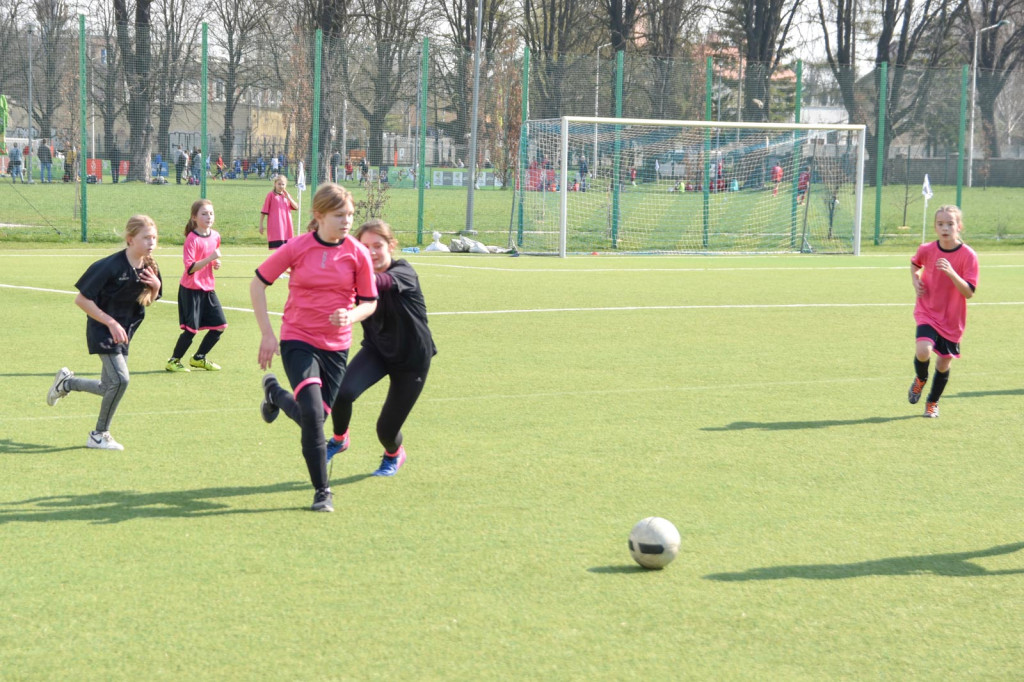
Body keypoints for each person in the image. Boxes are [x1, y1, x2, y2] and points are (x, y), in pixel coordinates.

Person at [250, 183, 378, 512]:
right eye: (339, 215)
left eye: (350, 215)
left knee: (317, 416)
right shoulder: (298, 247)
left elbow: (370, 303)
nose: (347, 221)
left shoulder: (357, 253)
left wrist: (350, 315)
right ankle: (323, 490)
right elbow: (258, 284)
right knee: (310, 411)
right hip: (298, 338)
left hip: (336, 347)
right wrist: (267, 334)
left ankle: (275, 395)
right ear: (319, 216)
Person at [325, 219, 436, 477]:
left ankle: (393, 454)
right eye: (365, 247)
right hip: (377, 351)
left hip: (412, 360)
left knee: (385, 430)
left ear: (391, 246)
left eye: (378, 245)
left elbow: (379, 283)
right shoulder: (358, 277)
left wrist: (344, 272)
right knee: (341, 393)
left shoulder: (404, 271)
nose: (372, 252)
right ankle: (340, 439)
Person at [46, 215, 163, 450]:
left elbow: (148, 301)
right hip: (102, 329)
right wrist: (110, 322)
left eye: (154, 237)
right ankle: (99, 434)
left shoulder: (151, 267)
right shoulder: (109, 266)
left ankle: (67, 383)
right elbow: (82, 300)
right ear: (130, 239)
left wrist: (156, 287)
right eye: (146, 237)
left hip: (125, 332)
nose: (151, 242)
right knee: (121, 380)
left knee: (109, 386)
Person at [907, 205, 979, 418]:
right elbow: (914, 264)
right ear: (935, 227)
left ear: (959, 226)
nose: (945, 228)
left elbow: (969, 292)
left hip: (952, 318)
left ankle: (932, 402)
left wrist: (951, 273)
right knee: (923, 351)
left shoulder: (968, 255)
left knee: (943, 363)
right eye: (940, 224)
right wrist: (915, 281)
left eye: (950, 223)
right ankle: (920, 379)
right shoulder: (927, 249)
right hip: (927, 310)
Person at [166, 199, 227, 373]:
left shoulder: (215, 236)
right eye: (204, 213)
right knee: (191, 330)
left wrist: (215, 263)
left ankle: (199, 358)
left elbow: (211, 257)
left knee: (220, 326)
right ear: (194, 217)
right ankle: (173, 360)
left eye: (211, 213)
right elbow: (191, 268)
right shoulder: (191, 239)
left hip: (207, 288)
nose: (209, 217)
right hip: (190, 289)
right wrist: (210, 258)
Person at [259, 174, 299, 249]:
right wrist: (261, 225)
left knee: (287, 248)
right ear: (275, 184)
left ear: (286, 185)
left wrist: (289, 198)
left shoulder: (286, 195)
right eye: (279, 184)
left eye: (283, 184)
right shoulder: (271, 195)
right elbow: (264, 211)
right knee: (277, 248)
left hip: (286, 226)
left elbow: (296, 207)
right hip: (276, 226)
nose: (281, 186)